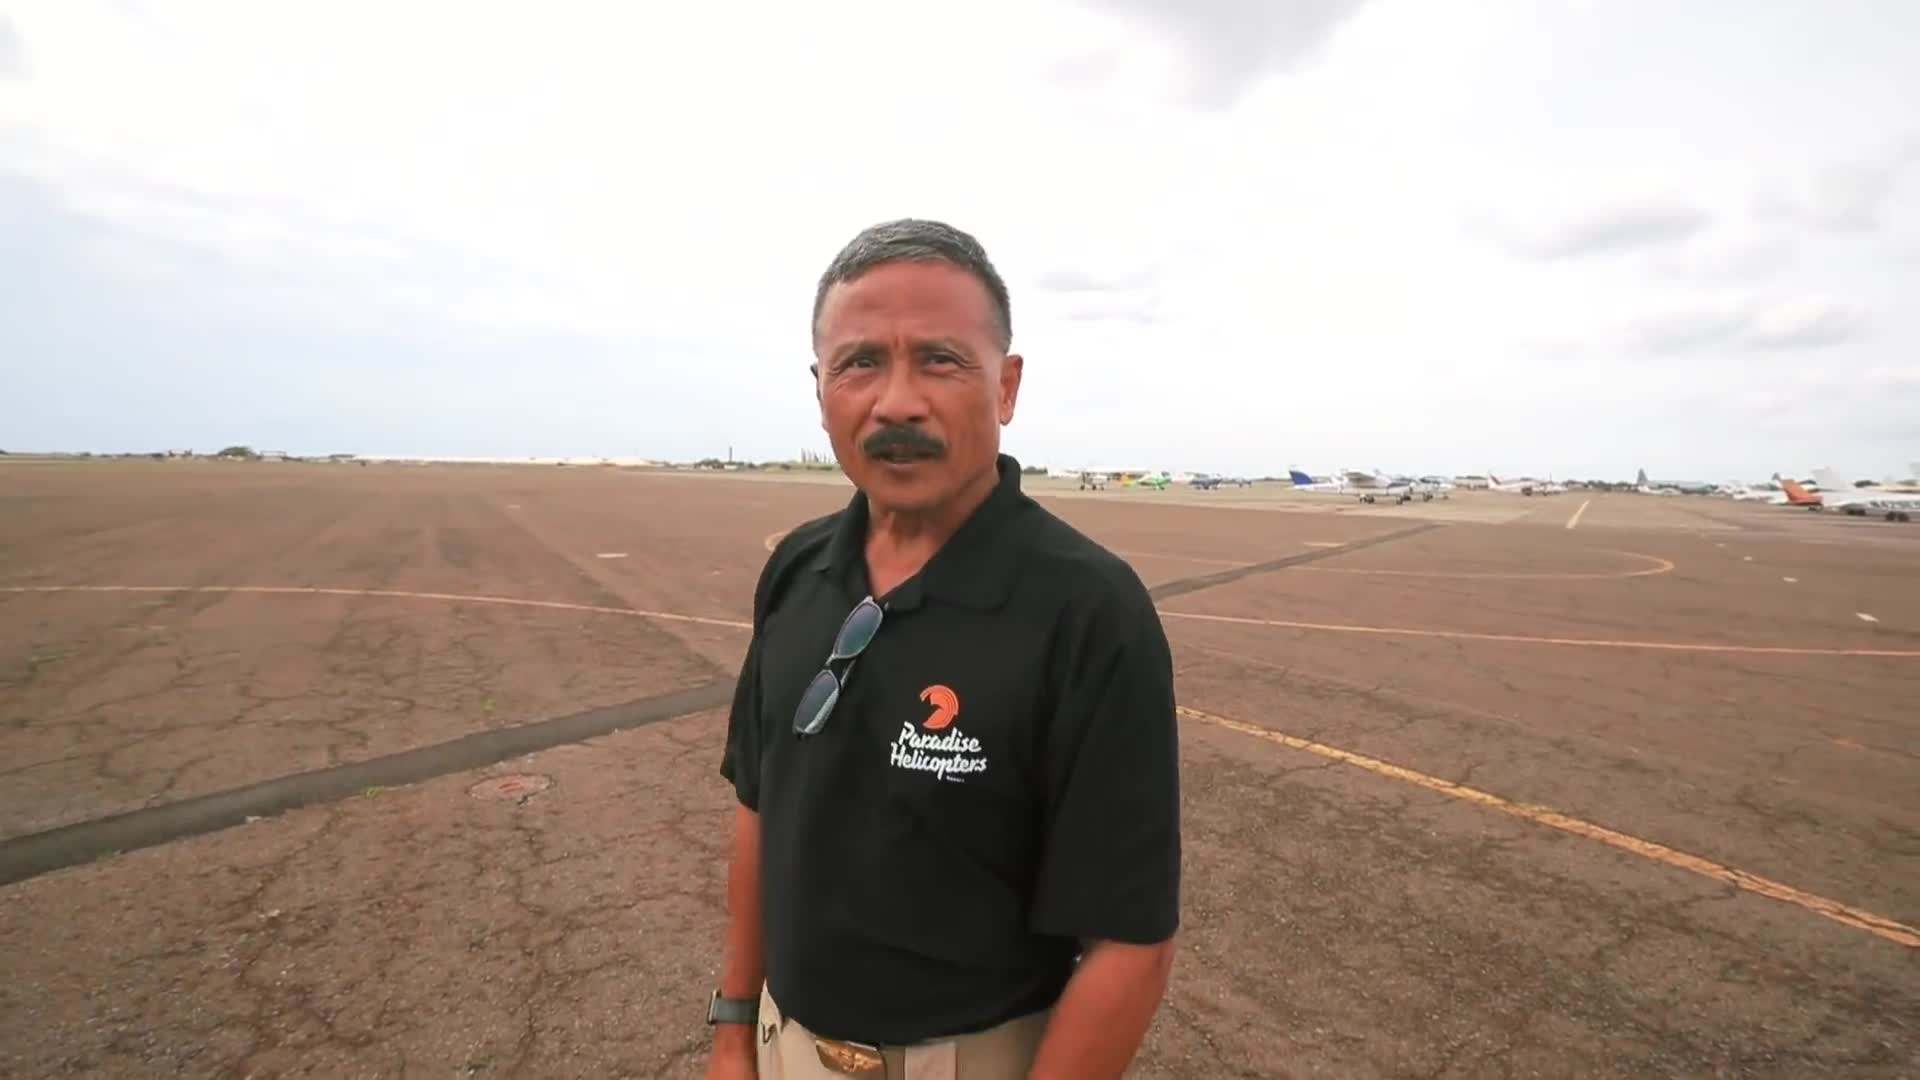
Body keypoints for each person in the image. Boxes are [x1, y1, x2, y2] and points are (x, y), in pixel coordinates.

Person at [704, 219, 1181, 1079]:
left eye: (939, 359)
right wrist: (734, 1030)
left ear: (1006, 386)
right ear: (821, 391)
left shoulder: (1087, 610)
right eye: (860, 363)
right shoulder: (798, 570)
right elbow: (758, 806)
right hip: (782, 1048)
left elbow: (1131, 942)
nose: (896, 403)